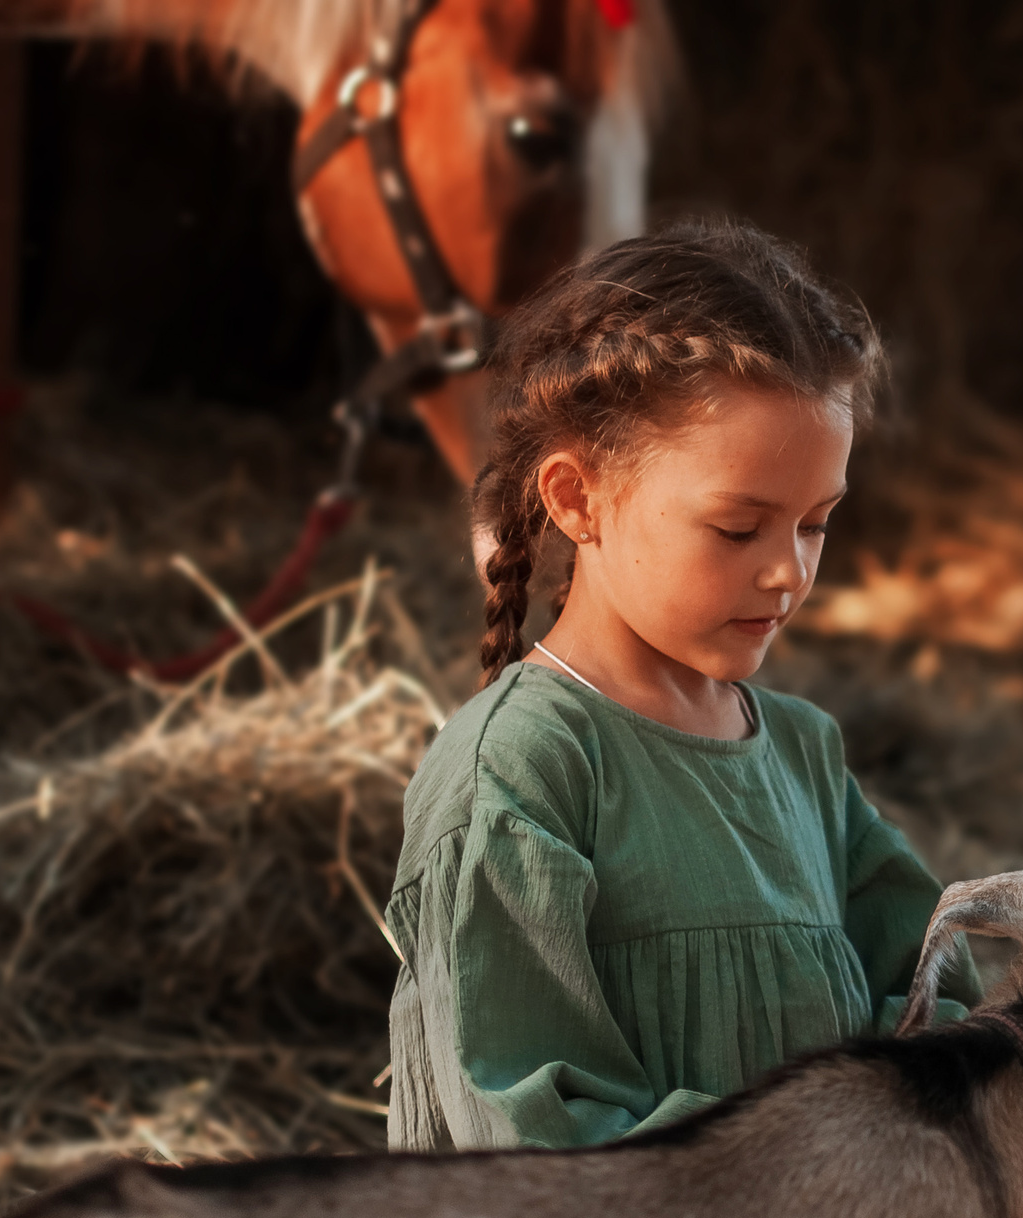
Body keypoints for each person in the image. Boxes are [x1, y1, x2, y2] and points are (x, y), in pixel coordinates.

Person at [383, 218, 978, 1152]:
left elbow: (934, 999)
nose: (788, 573)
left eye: (816, 524)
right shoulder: (519, 772)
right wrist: (822, 1164)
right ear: (577, 499)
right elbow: (539, 1140)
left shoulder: (801, 753)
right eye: (739, 528)